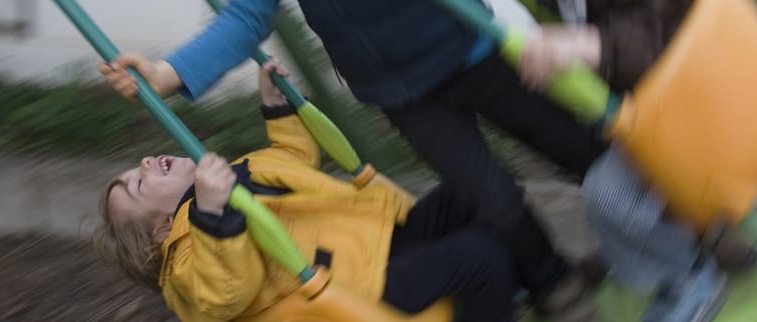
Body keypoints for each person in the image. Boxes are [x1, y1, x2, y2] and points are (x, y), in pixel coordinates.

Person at [99, 0, 609, 318]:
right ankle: (555, 286)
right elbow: (244, 20)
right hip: (408, 99)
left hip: (470, 52)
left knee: (571, 142)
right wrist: (167, 72)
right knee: (491, 197)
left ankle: (647, 209)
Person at [466, 0, 757, 320]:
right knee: (606, 194)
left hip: (709, 113)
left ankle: (689, 277)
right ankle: (683, 245)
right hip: (665, 113)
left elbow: (674, 33)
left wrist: (590, 45)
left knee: (608, 196)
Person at [93, 61, 520, 321]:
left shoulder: (230, 176)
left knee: (476, 187)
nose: (144, 163)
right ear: (161, 229)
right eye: (137, 184)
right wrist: (209, 215)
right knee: (480, 259)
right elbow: (226, 292)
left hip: (372, 239)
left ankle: (537, 278)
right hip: (355, 290)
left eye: (137, 167)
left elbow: (290, 160)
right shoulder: (186, 258)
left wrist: (276, 108)